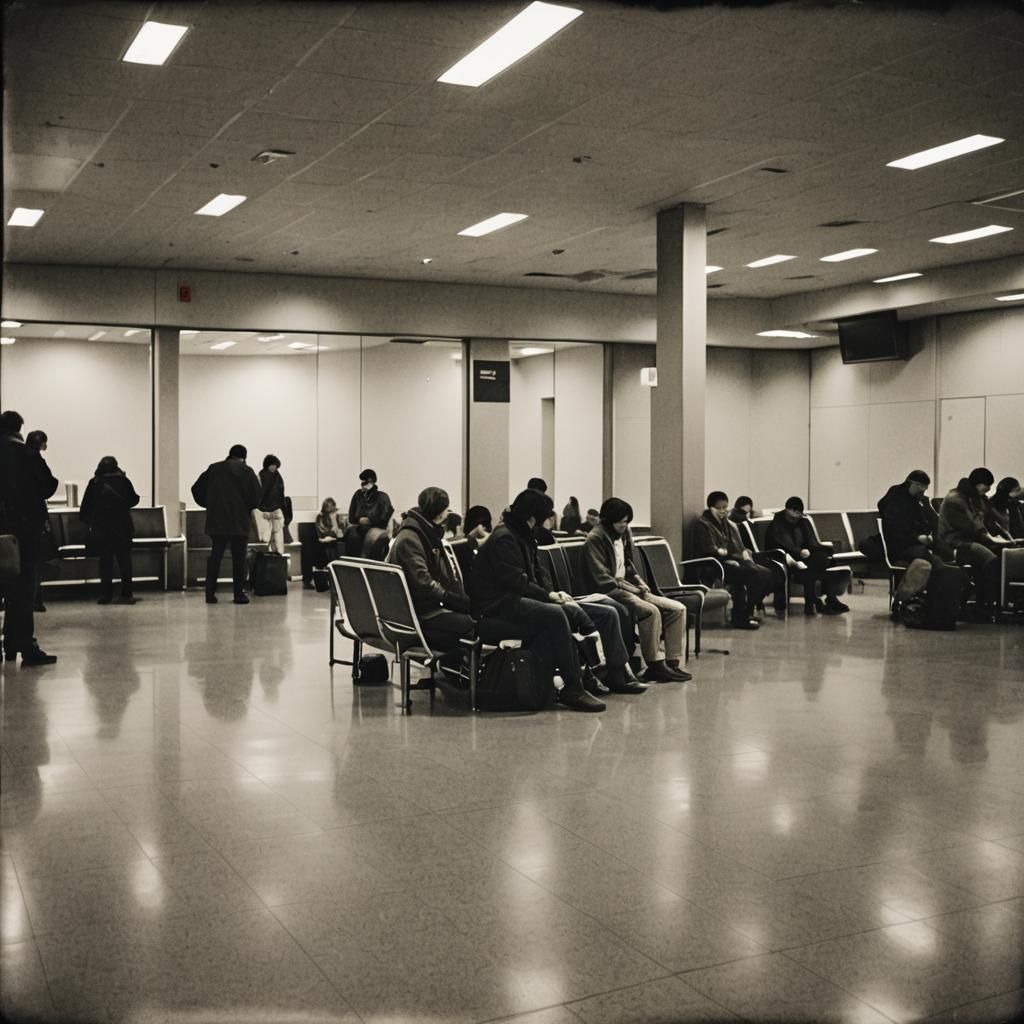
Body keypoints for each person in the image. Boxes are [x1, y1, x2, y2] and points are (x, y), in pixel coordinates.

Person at [470, 489, 607, 712]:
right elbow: (517, 581)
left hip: (512, 601)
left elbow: (536, 573)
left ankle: (580, 677)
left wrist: (552, 594)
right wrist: (549, 597)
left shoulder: (520, 534)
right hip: (496, 607)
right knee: (554, 614)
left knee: (566, 612)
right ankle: (573, 686)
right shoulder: (505, 538)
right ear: (532, 516)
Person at [582, 497, 691, 682]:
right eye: (622, 522)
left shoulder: (623, 534)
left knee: (677, 609)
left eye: (627, 522)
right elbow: (603, 579)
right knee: (650, 611)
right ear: (609, 521)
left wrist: (640, 582)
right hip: (608, 591)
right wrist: (633, 589)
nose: (625, 526)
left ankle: (672, 663)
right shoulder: (595, 539)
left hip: (627, 588)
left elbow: (628, 565)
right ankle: (655, 664)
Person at [0, 411, 59, 665]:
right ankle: (21, 645)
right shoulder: (26, 454)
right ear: (19, 428)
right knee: (23, 591)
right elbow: (48, 486)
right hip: (23, 533)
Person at [388, 487, 476, 653]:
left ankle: (455, 668)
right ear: (440, 514)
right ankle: (460, 671)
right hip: (417, 613)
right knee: (467, 624)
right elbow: (423, 583)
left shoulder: (416, 531)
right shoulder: (412, 539)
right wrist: (450, 598)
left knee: (465, 615)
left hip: (412, 607)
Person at [692, 491, 774, 629]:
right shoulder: (703, 524)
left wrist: (736, 556)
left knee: (767, 573)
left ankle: (747, 611)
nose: (723, 511)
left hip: (726, 561)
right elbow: (710, 550)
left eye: (725, 508)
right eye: (719, 508)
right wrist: (728, 558)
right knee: (750, 575)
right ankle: (740, 617)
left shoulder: (726, 523)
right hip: (712, 565)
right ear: (710, 507)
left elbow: (732, 545)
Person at [192, 444, 261, 605]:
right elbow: (257, 497)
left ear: (229, 455)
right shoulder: (247, 471)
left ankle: (210, 594)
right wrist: (246, 508)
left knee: (216, 556)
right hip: (239, 522)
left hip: (217, 521)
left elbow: (196, 489)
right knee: (239, 559)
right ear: (244, 457)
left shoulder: (214, 468)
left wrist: (210, 504)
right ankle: (238, 594)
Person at [937, 468, 1009, 612]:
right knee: (990, 558)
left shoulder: (979, 498)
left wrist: (1005, 536)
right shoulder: (955, 500)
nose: (988, 489)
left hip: (973, 540)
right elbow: (969, 527)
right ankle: (985, 602)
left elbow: (989, 522)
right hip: (955, 543)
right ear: (977, 483)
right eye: (986, 484)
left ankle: (998, 599)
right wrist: (991, 539)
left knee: (1005, 555)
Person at [766, 497, 850, 616]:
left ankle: (815, 600)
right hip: (786, 558)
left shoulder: (803, 521)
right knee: (814, 566)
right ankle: (821, 599)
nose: (797, 516)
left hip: (805, 557)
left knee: (822, 559)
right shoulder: (776, 525)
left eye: (799, 513)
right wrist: (799, 552)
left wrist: (824, 550)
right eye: (795, 513)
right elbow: (781, 544)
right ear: (788, 510)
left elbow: (812, 542)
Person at [79, 456, 140, 605]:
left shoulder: (94, 483)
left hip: (102, 528)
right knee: (125, 561)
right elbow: (134, 500)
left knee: (105, 562)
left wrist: (91, 522)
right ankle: (127, 594)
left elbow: (85, 508)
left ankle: (106, 595)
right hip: (123, 528)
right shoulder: (124, 481)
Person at [878, 470, 952, 569]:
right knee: (933, 559)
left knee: (944, 551)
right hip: (900, 546)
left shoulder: (915, 500)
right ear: (914, 485)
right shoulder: (895, 500)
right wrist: (917, 537)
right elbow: (895, 530)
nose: (922, 493)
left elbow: (930, 522)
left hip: (914, 543)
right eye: (921, 490)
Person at [25, 430, 52, 612]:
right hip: (34, 517)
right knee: (34, 561)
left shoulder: (14, 458)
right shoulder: (36, 461)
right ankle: (36, 598)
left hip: (15, 517)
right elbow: (47, 486)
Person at [345, 469, 394, 556]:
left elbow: (384, 520)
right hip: (359, 528)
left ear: (371, 481)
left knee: (372, 537)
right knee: (352, 533)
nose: (362, 487)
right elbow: (351, 518)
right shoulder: (358, 495)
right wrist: (360, 520)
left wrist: (369, 520)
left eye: (365, 483)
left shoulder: (382, 497)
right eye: (362, 484)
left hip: (377, 529)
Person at [255, 454, 286, 554]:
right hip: (264, 509)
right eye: (272, 465)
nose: (274, 467)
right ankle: (271, 554)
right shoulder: (266, 475)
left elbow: (281, 492)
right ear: (267, 465)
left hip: (273, 507)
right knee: (267, 536)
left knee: (277, 534)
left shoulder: (275, 476)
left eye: (275, 465)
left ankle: (278, 553)